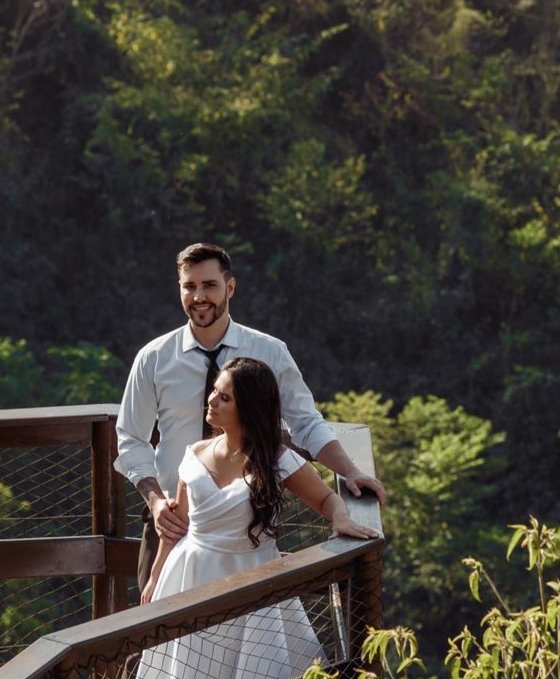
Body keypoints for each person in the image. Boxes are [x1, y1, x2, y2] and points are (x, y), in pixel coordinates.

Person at [83, 357, 381, 679]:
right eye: (214, 392)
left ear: (248, 408)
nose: (211, 401)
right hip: (189, 580)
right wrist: (154, 579)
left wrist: (342, 518)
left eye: (224, 397)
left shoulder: (276, 460)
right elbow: (175, 528)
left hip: (254, 586)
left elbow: (326, 501)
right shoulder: (193, 452)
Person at [116, 242, 385, 588]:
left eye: (209, 285)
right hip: (170, 523)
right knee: (154, 617)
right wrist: (156, 503)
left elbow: (305, 423)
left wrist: (350, 471)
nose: (199, 296)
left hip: (245, 533)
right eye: (189, 286)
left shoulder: (269, 351)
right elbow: (131, 438)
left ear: (230, 287)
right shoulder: (153, 358)